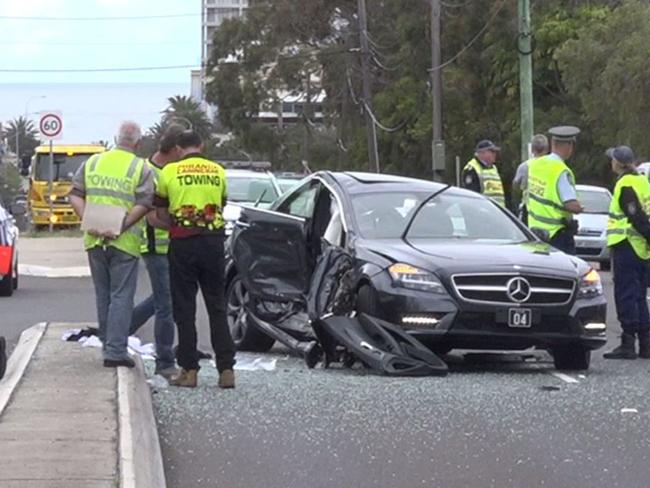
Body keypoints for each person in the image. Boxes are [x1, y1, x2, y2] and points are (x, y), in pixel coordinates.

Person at [154, 130, 236, 388]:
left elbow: (161, 212)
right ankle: (226, 371)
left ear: (178, 148)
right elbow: (220, 205)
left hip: (183, 242)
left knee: (184, 308)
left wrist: (178, 224)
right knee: (217, 306)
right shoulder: (218, 171)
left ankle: (189, 371)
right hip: (213, 243)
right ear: (202, 146)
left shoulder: (169, 172)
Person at [70, 121, 154, 368]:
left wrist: (89, 219)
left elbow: (75, 194)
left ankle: (108, 344)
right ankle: (115, 351)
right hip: (123, 241)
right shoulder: (141, 167)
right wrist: (120, 225)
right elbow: (145, 202)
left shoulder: (93, 162)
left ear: (116, 139)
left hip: (94, 239)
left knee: (103, 294)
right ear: (137, 143)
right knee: (121, 297)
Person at [129, 125, 185, 379]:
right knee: (166, 304)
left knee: (164, 296)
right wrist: (182, 225)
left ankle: (120, 328)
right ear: (174, 149)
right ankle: (165, 360)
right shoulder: (150, 173)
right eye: (182, 151)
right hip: (155, 246)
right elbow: (151, 217)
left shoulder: (168, 170)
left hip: (170, 246)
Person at [602, 146, 650, 360]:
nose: (610, 162)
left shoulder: (626, 184)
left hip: (627, 244)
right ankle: (646, 344)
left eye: (612, 159)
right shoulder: (642, 181)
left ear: (618, 163)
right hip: (641, 248)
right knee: (639, 296)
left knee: (626, 294)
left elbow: (635, 216)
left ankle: (628, 343)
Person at [527, 126, 583, 254]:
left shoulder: (535, 164)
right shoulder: (561, 171)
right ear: (569, 146)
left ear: (552, 143)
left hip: (534, 232)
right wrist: (580, 208)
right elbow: (570, 204)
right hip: (557, 235)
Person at [512, 134, 549, 225]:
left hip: (529, 209)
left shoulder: (525, 166)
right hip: (548, 210)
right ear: (547, 149)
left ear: (532, 149)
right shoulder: (554, 166)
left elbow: (516, 185)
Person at [462, 140, 505, 207]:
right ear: (482, 153)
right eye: (492, 151)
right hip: (482, 213)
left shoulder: (494, 168)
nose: (495, 154)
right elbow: (472, 195)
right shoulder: (472, 168)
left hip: (497, 213)